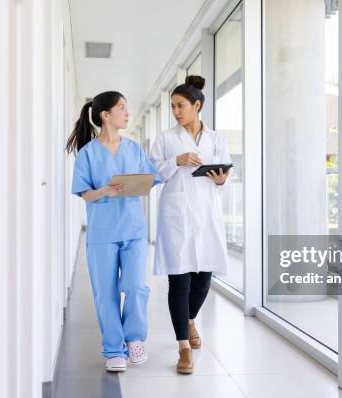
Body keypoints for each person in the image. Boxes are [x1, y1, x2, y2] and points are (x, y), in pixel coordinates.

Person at [66, 91, 160, 372]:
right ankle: (113, 349)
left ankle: (134, 339)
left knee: (135, 286)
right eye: (122, 108)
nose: (127, 113)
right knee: (105, 293)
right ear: (105, 115)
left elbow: (151, 178)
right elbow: (85, 194)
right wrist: (105, 190)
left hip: (133, 229)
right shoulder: (88, 154)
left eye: (127, 108)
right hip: (103, 233)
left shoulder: (133, 149)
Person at [150, 75, 231, 374]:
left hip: (207, 214)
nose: (176, 111)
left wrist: (222, 180)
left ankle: (189, 319)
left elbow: (225, 172)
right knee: (179, 281)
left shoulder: (216, 138)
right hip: (176, 217)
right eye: (172, 106)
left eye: (181, 105)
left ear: (197, 105)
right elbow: (153, 174)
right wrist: (177, 161)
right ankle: (184, 348)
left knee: (204, 278)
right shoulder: (165, 139)